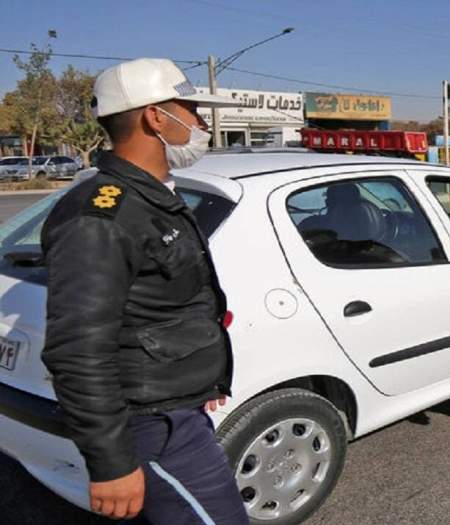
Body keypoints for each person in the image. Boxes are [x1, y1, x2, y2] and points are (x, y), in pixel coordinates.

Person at [40, 58, 249, 524]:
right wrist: (112, 463)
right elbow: (77, 349)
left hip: (175, 411)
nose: (198, 123)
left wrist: (196, 378)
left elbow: (166, 307)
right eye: (191, 109)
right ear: (156, 117)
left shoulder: (152, 196)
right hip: (153, 427)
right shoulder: (102, 215)